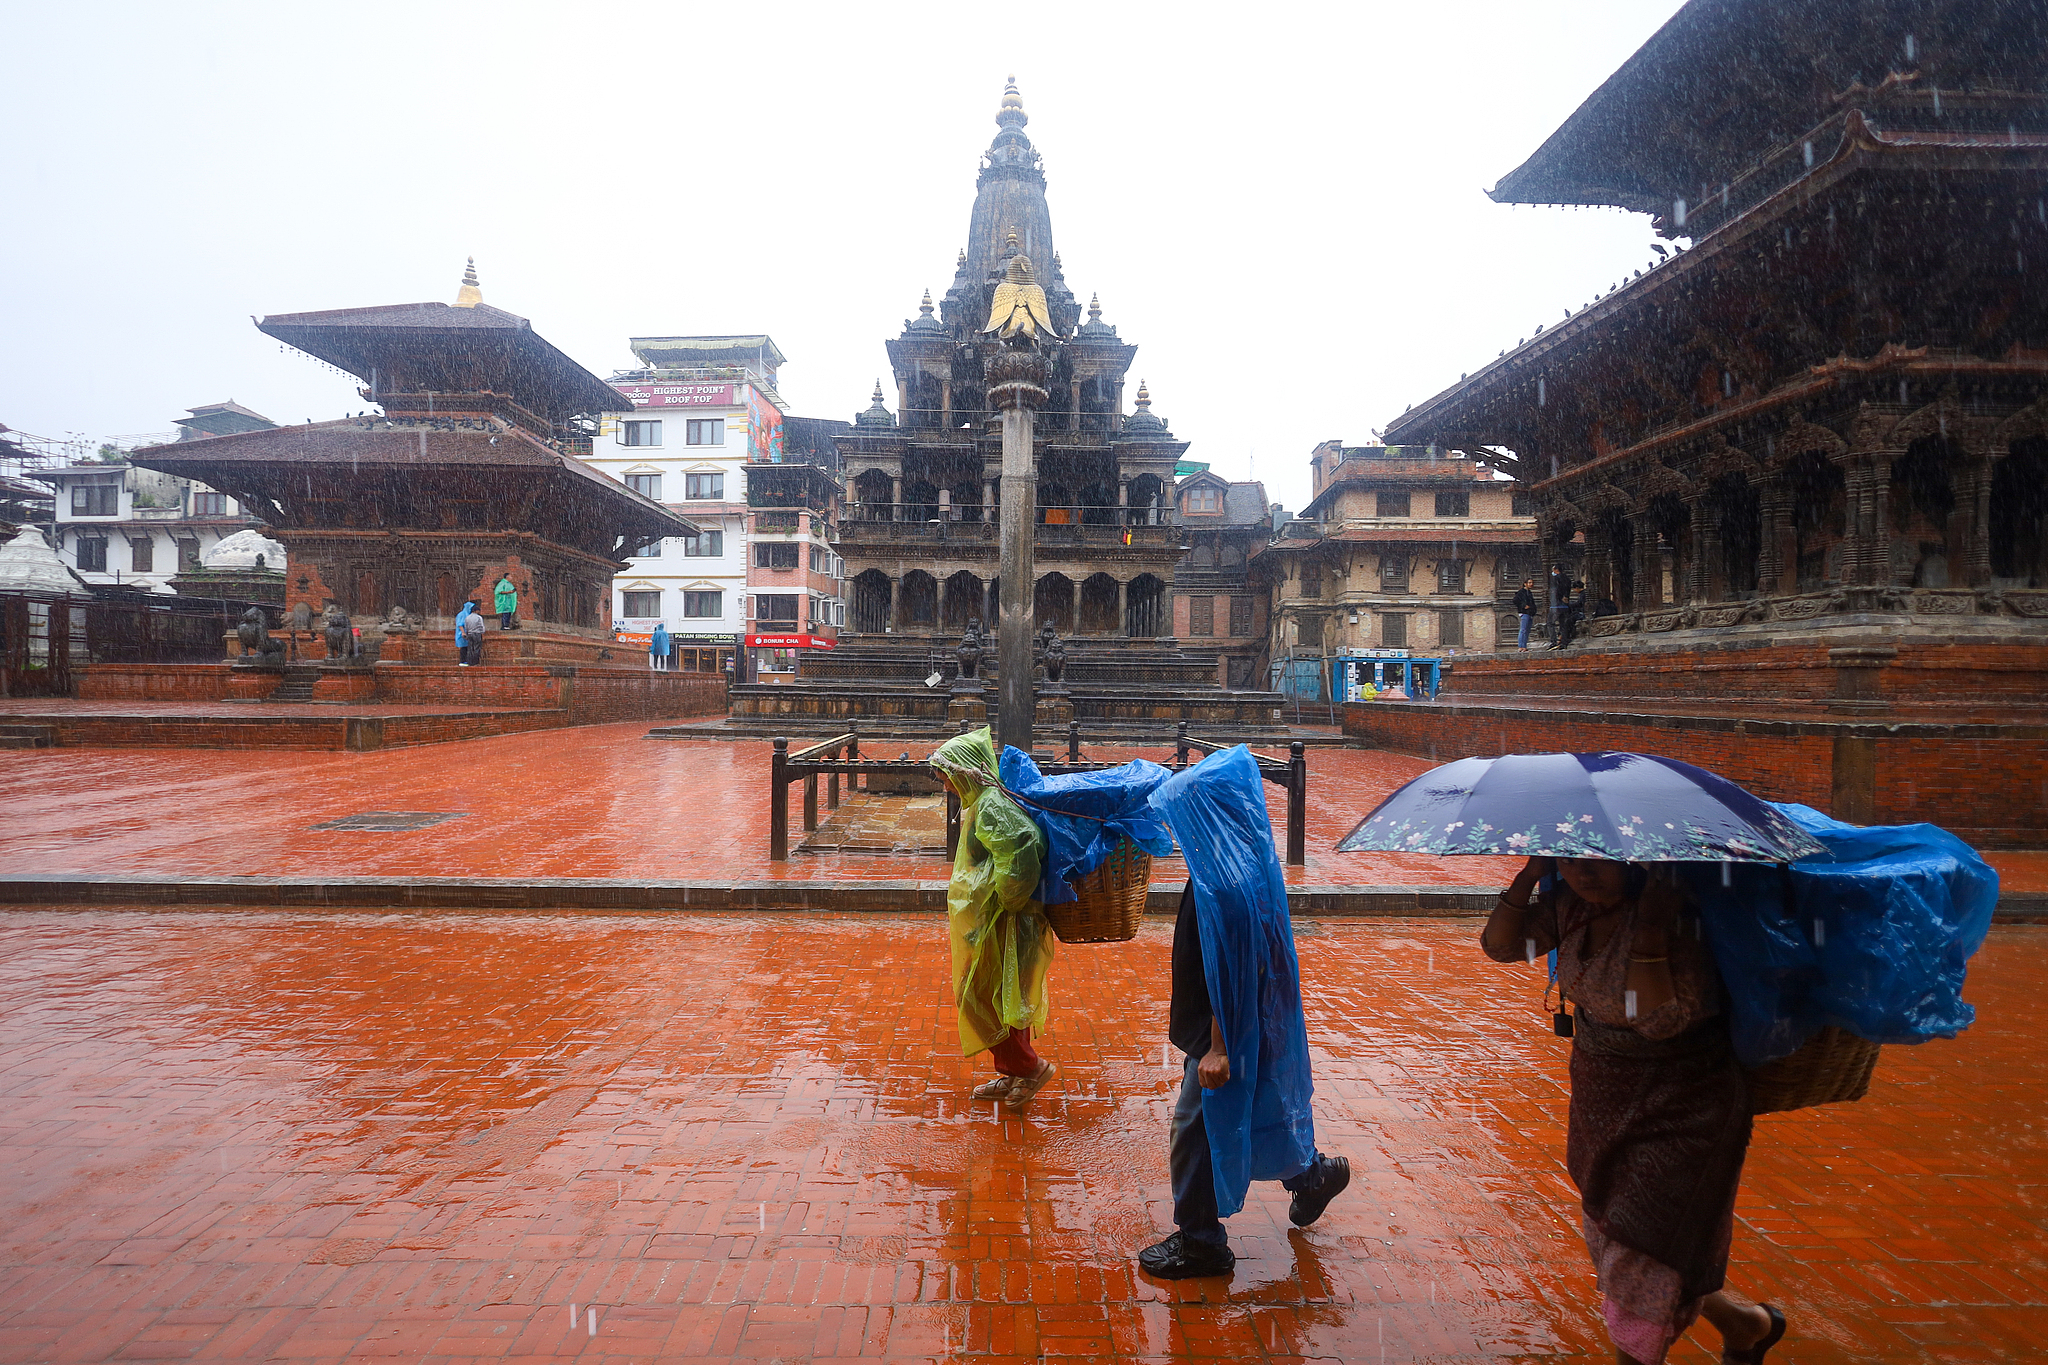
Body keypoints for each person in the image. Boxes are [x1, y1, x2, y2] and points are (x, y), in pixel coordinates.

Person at [1482, 857, 1789, 1365]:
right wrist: (1531, 876)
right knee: (1628, 1243)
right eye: (1570, 859)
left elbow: (1658, 1018)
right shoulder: (1570, 907)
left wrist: (1649, 923)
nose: (1584, 873)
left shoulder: (1679, 912)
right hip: (1602, 1105)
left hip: (1683, 1108)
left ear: (1636, 860)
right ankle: (1748, 1326)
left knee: (1642, 1252)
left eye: (1598, 861)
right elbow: (1501, 946)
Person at [1138, 748, 1349, 1280]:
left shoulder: (1228, 882)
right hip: (1248, 1018)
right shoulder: (1235, 858)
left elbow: (1238, 970)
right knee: (1265, 1097)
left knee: (1194, 1126)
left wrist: (1220, 1047)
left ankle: (1202, 1242)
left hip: (1230, 1026)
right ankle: (1311, 1177)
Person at [928, 728, 1058, 1111]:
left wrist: (1005, 899)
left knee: (976, 993)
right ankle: (1014, 1071)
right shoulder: (983, 802)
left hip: (1009, 920)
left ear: (966, 771)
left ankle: (1031, 1067)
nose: (948, 788)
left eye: (949, 778)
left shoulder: (991, 806)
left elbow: (1022, 848)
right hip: (1000, 918)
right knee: (1006, 996)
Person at [454, 599, 483, 667]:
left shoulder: (468, 615)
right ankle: (463, 660)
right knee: (463, 647)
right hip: (462, 633)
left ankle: (468, 660)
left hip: (468, 633)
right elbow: (460, 624)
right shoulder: (462, 614)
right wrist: (463, 632)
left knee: (468, 647)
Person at [1514, 577, 1538, 649]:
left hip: (1530, 613)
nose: (1531, 584)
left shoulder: (1529, 593)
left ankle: (1524, 646)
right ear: (1525, 584)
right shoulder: (1521, 592)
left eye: (1532, 583)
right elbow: (1515, 600)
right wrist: (1523, 606)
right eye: (1529, 583)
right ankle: (1521, 646)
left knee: (1527, 630)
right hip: (1524, 613)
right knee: (1523, 630)